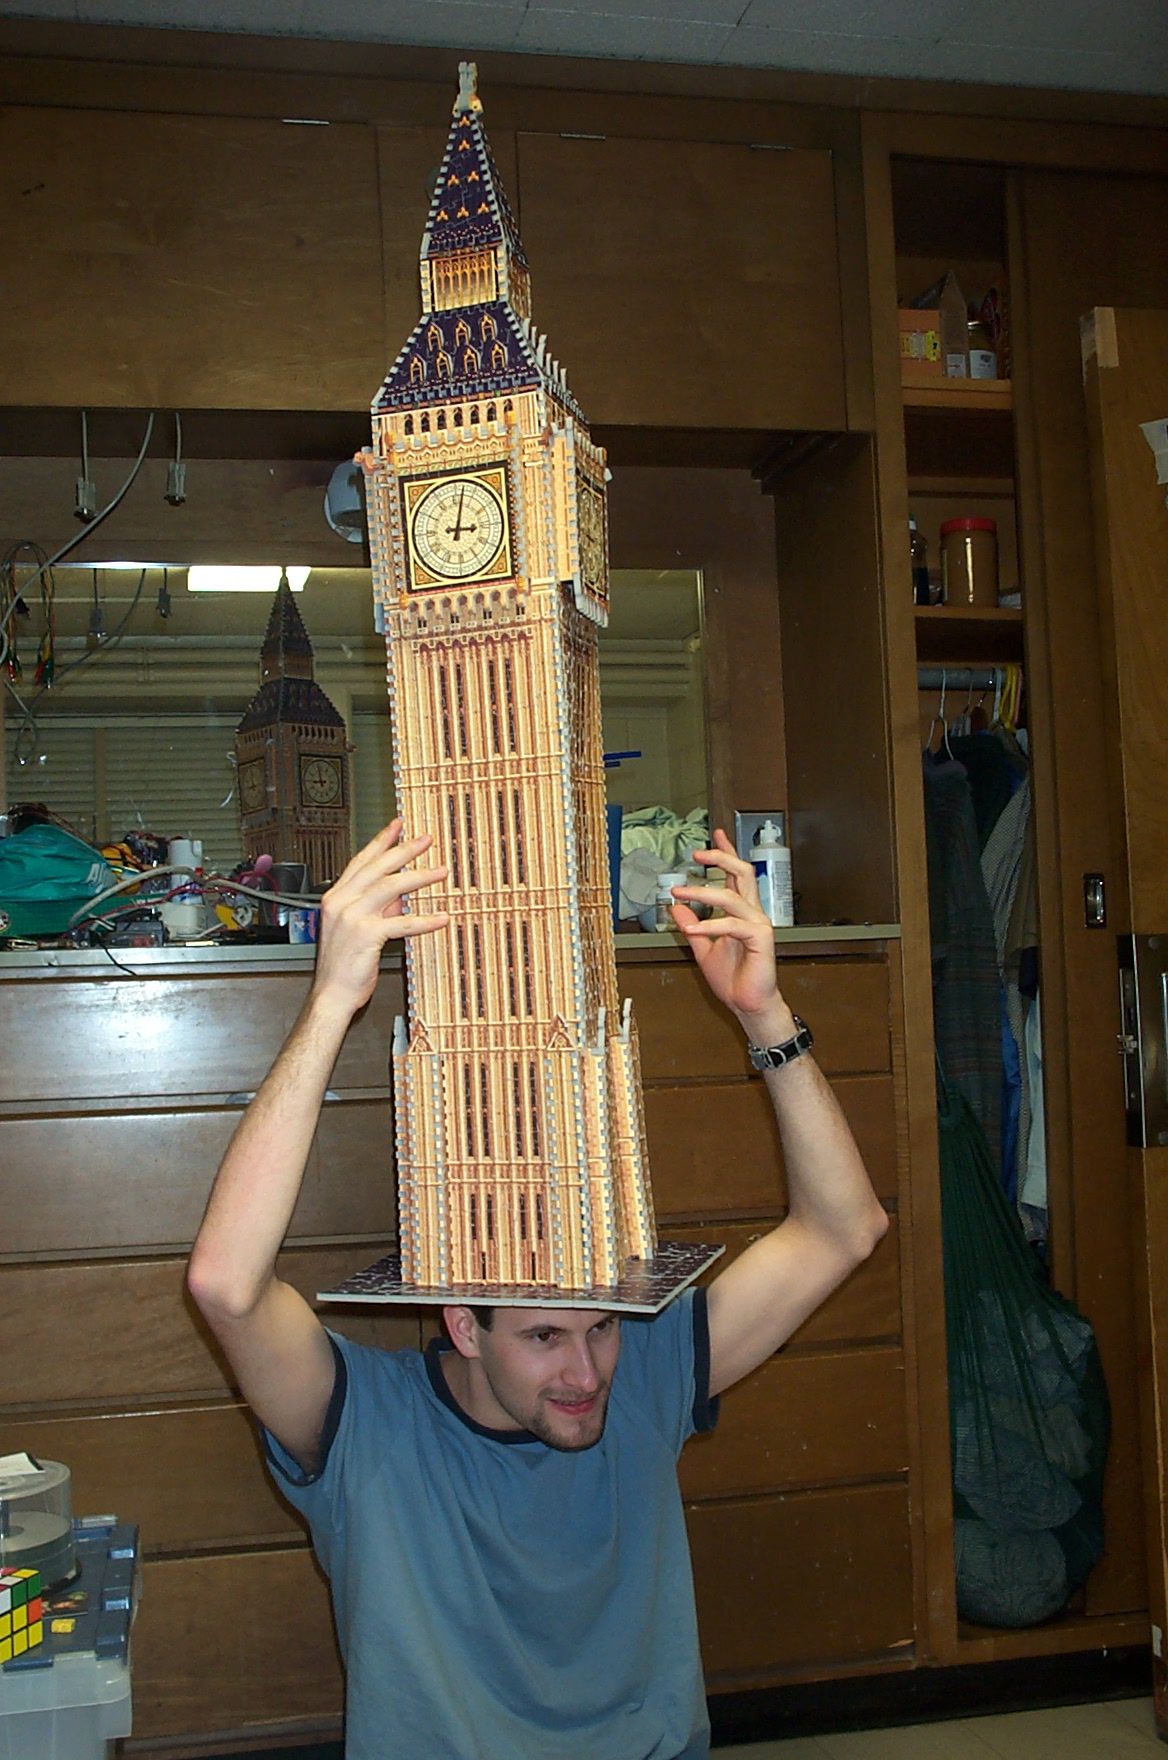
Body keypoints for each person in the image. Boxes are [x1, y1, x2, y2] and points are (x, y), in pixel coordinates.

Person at [187, 821, 888, 1760]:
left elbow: (845, 1229)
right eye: (544, 1337)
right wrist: (330, 1006)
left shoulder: (642, 1371)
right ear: (462, 1324)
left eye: (601, 1328)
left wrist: (766, 1018)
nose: (587, 1372)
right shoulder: (367, 1428)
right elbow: (226, 1287)